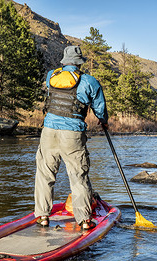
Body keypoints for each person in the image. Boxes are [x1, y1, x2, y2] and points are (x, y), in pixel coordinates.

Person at [34, 45, 108, 230]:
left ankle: (42, 216)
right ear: (79, 63)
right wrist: (103, 120)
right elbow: (99, 106)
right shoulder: (90, 81)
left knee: (45, 174)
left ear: (64, 62)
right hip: (72, 134)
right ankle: (84, 220)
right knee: (78, 175)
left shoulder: (52, 76)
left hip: (48, 132)